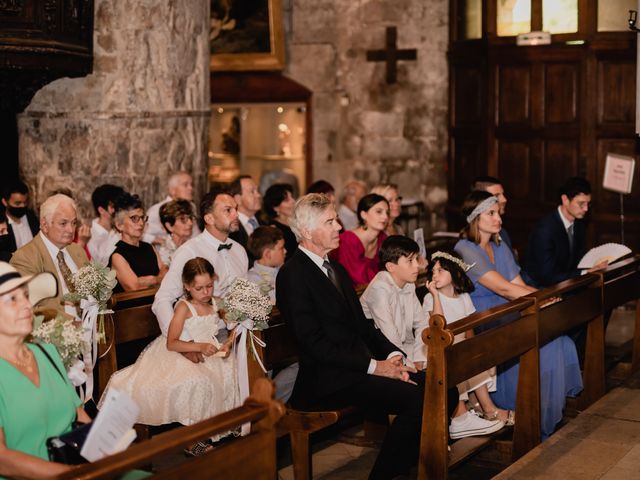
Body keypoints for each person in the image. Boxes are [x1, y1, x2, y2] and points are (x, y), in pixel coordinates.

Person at [276, 193, 458, 480]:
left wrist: (394, 356)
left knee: (445, 387)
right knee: (417, 399)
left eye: (337, 219)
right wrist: (375, 367)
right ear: (308, 231)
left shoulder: (334, 268)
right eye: (331, 221)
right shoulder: (292, 275)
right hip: (327, 378)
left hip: (355, 368)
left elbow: (364, 326)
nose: (339, 227)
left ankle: (414, 465)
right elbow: (313, 344)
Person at [454, 190, 583, 439]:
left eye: (497, 212)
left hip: (509, 307)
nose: (497, 218)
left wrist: (546, 296)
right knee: (547, 344)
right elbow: (502, 288)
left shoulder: (498, 243)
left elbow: (517, 282)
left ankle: (541, 407)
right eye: (490, 213)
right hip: (483, 316)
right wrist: (540, 299)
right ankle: (522, 407)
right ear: (475, 218)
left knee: (560, 341)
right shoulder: (465, 249)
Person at [101, 258, 239, 456]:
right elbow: (172, 342)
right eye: (200, 288)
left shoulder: (217, 302)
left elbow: (233, 327)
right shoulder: (183, 307)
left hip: (210, 351)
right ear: (187, 286)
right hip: (180, 352)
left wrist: (228, 342)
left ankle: (222, 426)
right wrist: (198, 346)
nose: (206, 292)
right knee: (199, 381)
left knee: (231, 370)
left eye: (209, 286)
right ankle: (193, 439)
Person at [0, 262, 92, 478]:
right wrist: (71, 475)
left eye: (25, 296)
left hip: (75, 466)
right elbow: (2, 459)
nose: (26, 305)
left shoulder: (47, 353)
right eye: (12, 299)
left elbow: (79, 415)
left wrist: (108, 448)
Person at [152, 188, 248, 357]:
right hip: (198, 338)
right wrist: (186, 344)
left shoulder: (239, 251)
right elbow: (163, 299)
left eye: (236, 209)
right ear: (209, 218)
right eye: (228, 210)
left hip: (235, 336)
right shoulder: (189, 251)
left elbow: (242, 298)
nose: (236, 215)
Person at [423, 251, 513, 430]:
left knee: (480, 353)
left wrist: (473, 346)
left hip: (460, 347)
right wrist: (434, 295)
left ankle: (476, 403)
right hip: (440, 350)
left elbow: (469, 328)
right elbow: (437, 327)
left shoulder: (463, 297)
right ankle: (490, 410)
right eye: (433, 271)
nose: (435, 274)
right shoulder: (430, 298)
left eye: (440, 270)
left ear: (455, 273)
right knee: (468, 360)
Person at [11, 194, 89, 317]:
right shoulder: (25, 258)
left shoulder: (77, 251)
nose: (71, 229)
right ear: (45, 225)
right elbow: (31, 308)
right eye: (63, 223)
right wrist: (72, 323)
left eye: (74, 223)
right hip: (57, 332)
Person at [523, 177, 606, 288]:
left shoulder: (579, 223)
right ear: (565, 200)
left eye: (588, 204)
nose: (586, 209)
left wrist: (593, 265)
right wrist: (585, 272)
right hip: (539, 289)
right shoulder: (545, 230)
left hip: (565, 284)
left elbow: (578, 261)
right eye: (581, 204)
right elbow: (546, 277)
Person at [109, 193, 167, 293]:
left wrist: (148, 280)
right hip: (131, 307)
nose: (141, 223)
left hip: (156, 302)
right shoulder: (118, 256)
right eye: (134, 218)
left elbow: (166, 271)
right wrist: (158, 279)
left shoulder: (149, 247)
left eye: (142, 218)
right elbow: (134, 289)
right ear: (119, 225)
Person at [332, 193, 389, 287]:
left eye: (387, 212)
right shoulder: (348, 241)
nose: (385, 217)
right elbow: (357, 279)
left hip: (377, 291)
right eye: (379, 212)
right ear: (363, 214)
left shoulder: (383, 238)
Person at [144, 171, 200, 245]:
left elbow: (195, 233)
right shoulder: (156, 210)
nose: (190, 188)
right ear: (172, 190)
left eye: (191, 185)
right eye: (185, 185)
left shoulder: (192, 206)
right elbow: (143, 235)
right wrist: (162, 242)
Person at [0, 181, 39, 260]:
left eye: (25, 202)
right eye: (18, 203)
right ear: (5, 202)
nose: (22, 206)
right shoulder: (1, 223)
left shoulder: (32, 217)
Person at [87, 184, 125, 266]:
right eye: (114, 206)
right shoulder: (91, 236)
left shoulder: (121, 230)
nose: (119, 210)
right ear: (101, 210)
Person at [246, 226, 286, 304]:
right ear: (268, 254)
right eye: (281, 248)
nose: (285, 251)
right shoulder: (252, 281)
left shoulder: (285, 270)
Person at [471, 176, 512, 250]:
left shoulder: (502, 232)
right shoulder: (469, 240)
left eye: (503, 194)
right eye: (496, 195)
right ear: (480, 199)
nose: (504, 199)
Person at [262, 183, 297, 262]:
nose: (293, 201)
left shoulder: (298, 222)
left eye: (292, 197)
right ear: (275, 207)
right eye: (286, 200)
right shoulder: (273, 228)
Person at [157, 199, 195, 267]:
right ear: (169, 226)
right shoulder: (162, 251)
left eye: (190, 218)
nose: (190, 223)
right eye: (183, 219)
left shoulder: (192, 245)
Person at [228, 175, 263, 249]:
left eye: (258, 190)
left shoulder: (265, 224)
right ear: (238, 199)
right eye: (252, 191)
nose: (258, 195)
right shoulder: (230, 230)